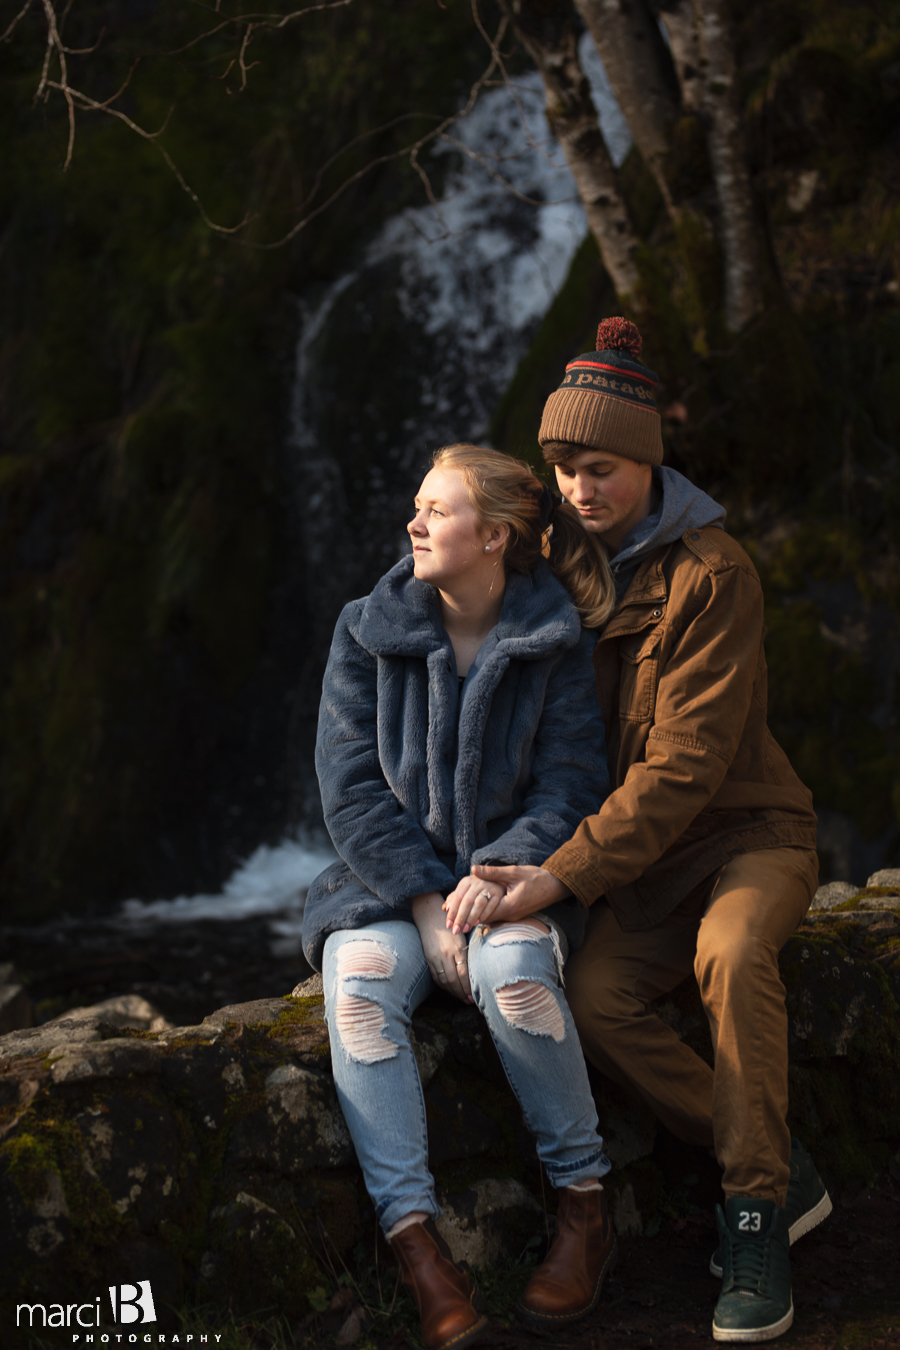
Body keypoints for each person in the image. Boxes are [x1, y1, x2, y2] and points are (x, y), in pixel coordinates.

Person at [454, 320, 831, 1344]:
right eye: (567, 468)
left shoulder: (716, 575)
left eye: (603, 468)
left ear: (648, 462)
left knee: (735, 950)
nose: (581, 488)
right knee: (594, 995)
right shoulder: (552, 560)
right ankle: (785, 1168)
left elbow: (683, 771)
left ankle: (751, 1215)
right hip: (648, 863)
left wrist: (555, 878)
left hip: (747, 833)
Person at [302, 444, 620, 1350]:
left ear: (496, 537)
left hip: (511, 881)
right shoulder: (366, 628)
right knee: (359, 988)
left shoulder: (553, 638)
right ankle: (418, 1248)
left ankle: (584, 1207)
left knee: (518, 972)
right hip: (385, 890)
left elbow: (568, 785)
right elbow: (350, 790)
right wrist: (422, 905)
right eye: (416, 507)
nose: (414, 524)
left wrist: (495, 880)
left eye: (435, 511)